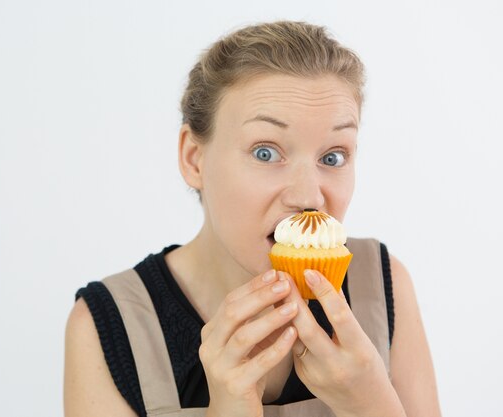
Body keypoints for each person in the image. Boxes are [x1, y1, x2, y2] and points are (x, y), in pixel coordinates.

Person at [64, 21, 441, 417]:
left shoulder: (383, 286)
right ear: (194, 159)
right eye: (266, 152)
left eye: (333, 157)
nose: (309, 196)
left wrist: (373, 406)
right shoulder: (109, 326)